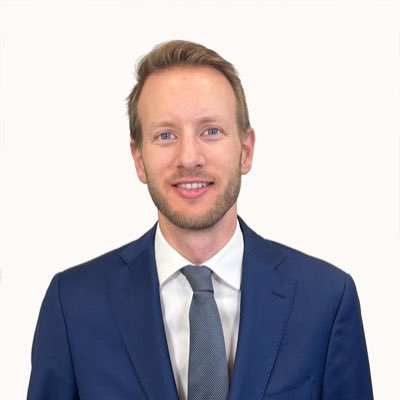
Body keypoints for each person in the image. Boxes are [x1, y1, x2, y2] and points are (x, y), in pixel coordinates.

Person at [27, 40, 373, 400]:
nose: (189, 157)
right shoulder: (73, 305)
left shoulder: (326, 300)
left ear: (245, 150)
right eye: (165, 135)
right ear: (139, 159)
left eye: (211, 131)